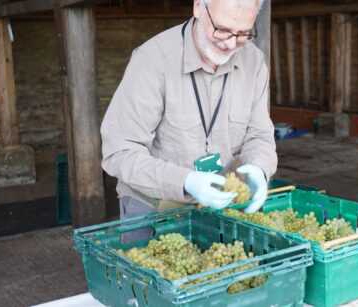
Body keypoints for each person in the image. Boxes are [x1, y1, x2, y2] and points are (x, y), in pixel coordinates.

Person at [100, 0, 276, 234]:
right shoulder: (153, 60)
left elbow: (259, 134)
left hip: (220, 204)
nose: (231, 43)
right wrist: (185, 181)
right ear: (198, 7)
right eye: (221, 30)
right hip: (154, 206)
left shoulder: (253, 61)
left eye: (243, 34)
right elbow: (120, 152)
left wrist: (260, 167)